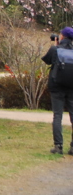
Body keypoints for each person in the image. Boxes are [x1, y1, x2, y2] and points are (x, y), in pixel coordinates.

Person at [41, 26, 73, 154]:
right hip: (72, 88)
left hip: (57, 87)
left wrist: (56, 45)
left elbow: (47, 61)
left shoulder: (55, 49)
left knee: (57, 116)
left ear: (62, 36)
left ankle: (58, 146)